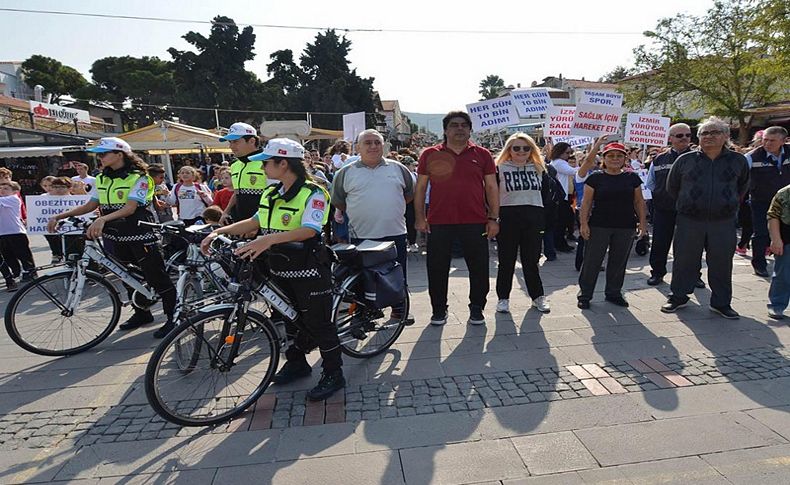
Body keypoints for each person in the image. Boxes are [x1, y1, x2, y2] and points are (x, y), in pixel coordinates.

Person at [201, 138, 343, 401]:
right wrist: (218, 231)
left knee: (319, 324)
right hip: (277, 270)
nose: (263, 167)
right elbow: (254, 222)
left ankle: (334, 373)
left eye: (266, 162)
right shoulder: (270, 193)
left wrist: (268, 239)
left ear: (283, 163)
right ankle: (297, 363)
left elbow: (309, 230)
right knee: (290, 321)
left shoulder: (313, 192)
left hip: (308, 269)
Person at [47, 137, 177, 337]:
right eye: (98, 154)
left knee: (156, 276)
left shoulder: (141, 177)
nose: (100, 157)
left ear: (120, 154)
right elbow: (91, 205)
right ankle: (142, 313)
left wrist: (102, 219)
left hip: (140, 232)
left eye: (104, 153)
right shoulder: (102, 177)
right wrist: (60, 215)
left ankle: (173, 317)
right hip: (115, 234)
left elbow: (130, 208)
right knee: (125, 274)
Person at [414, 111, 499, 326]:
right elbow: (421, 187)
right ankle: (439, 310)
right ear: (445, 130)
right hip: (439, 221)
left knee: (479, 267)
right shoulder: (429, 154)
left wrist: (494, 218)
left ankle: (477, 307)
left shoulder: (483, 154)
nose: (459, 128)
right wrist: (420, 218)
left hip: (475, 220)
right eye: (454, 125)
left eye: (464, 125)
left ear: (470, 129)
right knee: (437, 268)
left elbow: (491, 187)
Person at [661, 117, 750, 318]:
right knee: (684, 260)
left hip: (723, 221)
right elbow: (672, 187)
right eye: (704, 133)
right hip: (690, 220)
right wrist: (691, 204)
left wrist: (726, 204)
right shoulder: (685, 160)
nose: (709, 136)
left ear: (726, 136)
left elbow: (742, 187)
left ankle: (721, 303)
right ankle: (678, 297)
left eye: (715, 132)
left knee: (721, 262)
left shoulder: (738, 161)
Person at [331, 129, 414, 320]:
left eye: (377, 142)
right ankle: (365, 312)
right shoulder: (345, 173)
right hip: (362, 235)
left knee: (397, 273)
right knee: (364, 277)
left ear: (383, 145)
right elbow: (339, 201)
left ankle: (400, 310)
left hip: (395, 232)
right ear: (358, 147)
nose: (373, 146)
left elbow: (409, 195)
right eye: (367, 143)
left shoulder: (398, 169)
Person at [576, 137, 647, 309]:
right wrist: (584, 224)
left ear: (625, 159)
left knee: (619, 261)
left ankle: (614, 293)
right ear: (604, 159)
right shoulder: (595, 178)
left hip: (626, 226)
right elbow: (586, 203)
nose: (615, 159)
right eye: (611, 156)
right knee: (592, 261)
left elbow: (639, 202)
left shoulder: (632, 178)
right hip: (599, 225)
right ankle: (585, 294)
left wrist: (643, 223)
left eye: (619, 156)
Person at [494, 133, 551, 314]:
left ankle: (537, 297)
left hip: (533, 217)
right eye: (516, 148)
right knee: (506, 261)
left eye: (526, 148)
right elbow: (491, 195)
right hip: (508, 217)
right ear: (509, 150)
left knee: (531, 261)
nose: (521, 151)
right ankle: (503, 298)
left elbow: (546, 196)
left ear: (531, 150)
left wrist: (545, 220)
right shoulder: (499, 169)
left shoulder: (539, 168)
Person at [645, 123, 705, 288]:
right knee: (660, 242)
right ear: (670, 139)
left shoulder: (700, 157)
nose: (685, 138)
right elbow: (651, 183)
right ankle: (657, 273)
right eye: (680, 136)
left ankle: (694, 275)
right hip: (664, 209)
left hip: (690, 210)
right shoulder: (658, 159)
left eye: (687, 135)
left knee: (691, 245)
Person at [745, 126, 790, 277]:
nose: (767, 143)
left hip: (786, 202)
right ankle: (759, 264)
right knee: (761, 233)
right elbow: (740, 177)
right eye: (765, 140)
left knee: (785, 232)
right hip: (761, 201)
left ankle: (782, 260)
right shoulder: (752, 157)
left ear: (783, 141)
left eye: (772, 140)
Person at [218, 122, 266, 224]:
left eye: (235, 142)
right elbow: (237, 192)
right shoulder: (235, 165)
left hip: (262, 223)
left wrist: (257, 223)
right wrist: (226, 212)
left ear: (252, 141)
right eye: (230, 142)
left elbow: (275, 198)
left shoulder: (268, 163)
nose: (231, 146)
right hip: (241, 222)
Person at [0, 180, 36, 290]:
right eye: (0, 188)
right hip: (2, 233)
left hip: (15, 231)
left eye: (6, 189)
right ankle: (16, 272)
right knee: (8, 255)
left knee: (23, 254)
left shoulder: (14, 199)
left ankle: (30, 272)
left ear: (15, 191)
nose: (2, 190)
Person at [547, 142, 577, 253]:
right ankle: (559, 243)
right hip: (560, 196)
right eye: (567, 152)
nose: (569, 155)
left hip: (562, 195)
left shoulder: (557, 162)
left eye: (570, 152)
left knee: (564, 220)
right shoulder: (559, 163)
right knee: (561, 222)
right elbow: (574, 171)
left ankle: (560, 242)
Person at [767, 183, 790, 319]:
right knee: (783, 275)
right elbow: (773, 215)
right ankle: (776, 305)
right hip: (787, 239)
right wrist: (776, 240)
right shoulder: (785, 193)